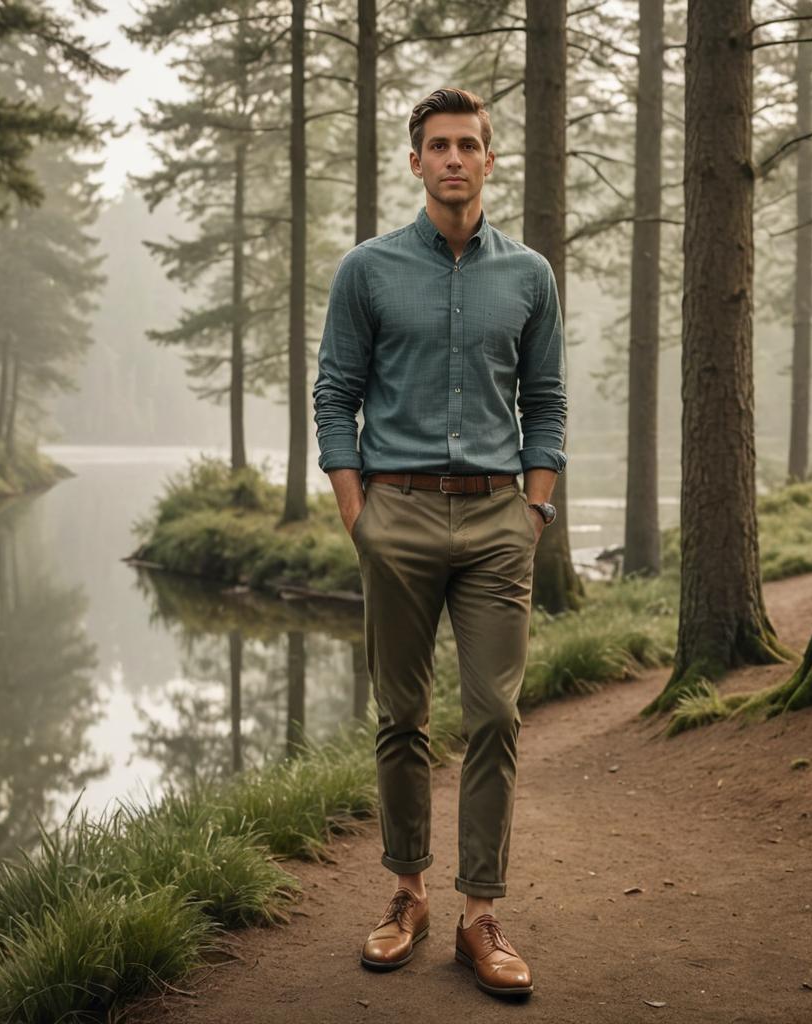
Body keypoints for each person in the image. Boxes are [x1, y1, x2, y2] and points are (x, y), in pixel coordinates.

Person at [311, 86, 568, 999]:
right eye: (438, 146)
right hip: (400, 517)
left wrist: (533, 510)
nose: (454, 158)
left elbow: (547, 404)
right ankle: (407, 895)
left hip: (499, 519)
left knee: (495, 714)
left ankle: (479, 916)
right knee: (402, 716)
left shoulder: (529, 275)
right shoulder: (368, 272)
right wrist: (360, 517)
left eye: (469, 144)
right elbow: (333, 397)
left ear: (490, 159)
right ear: (415, 161)